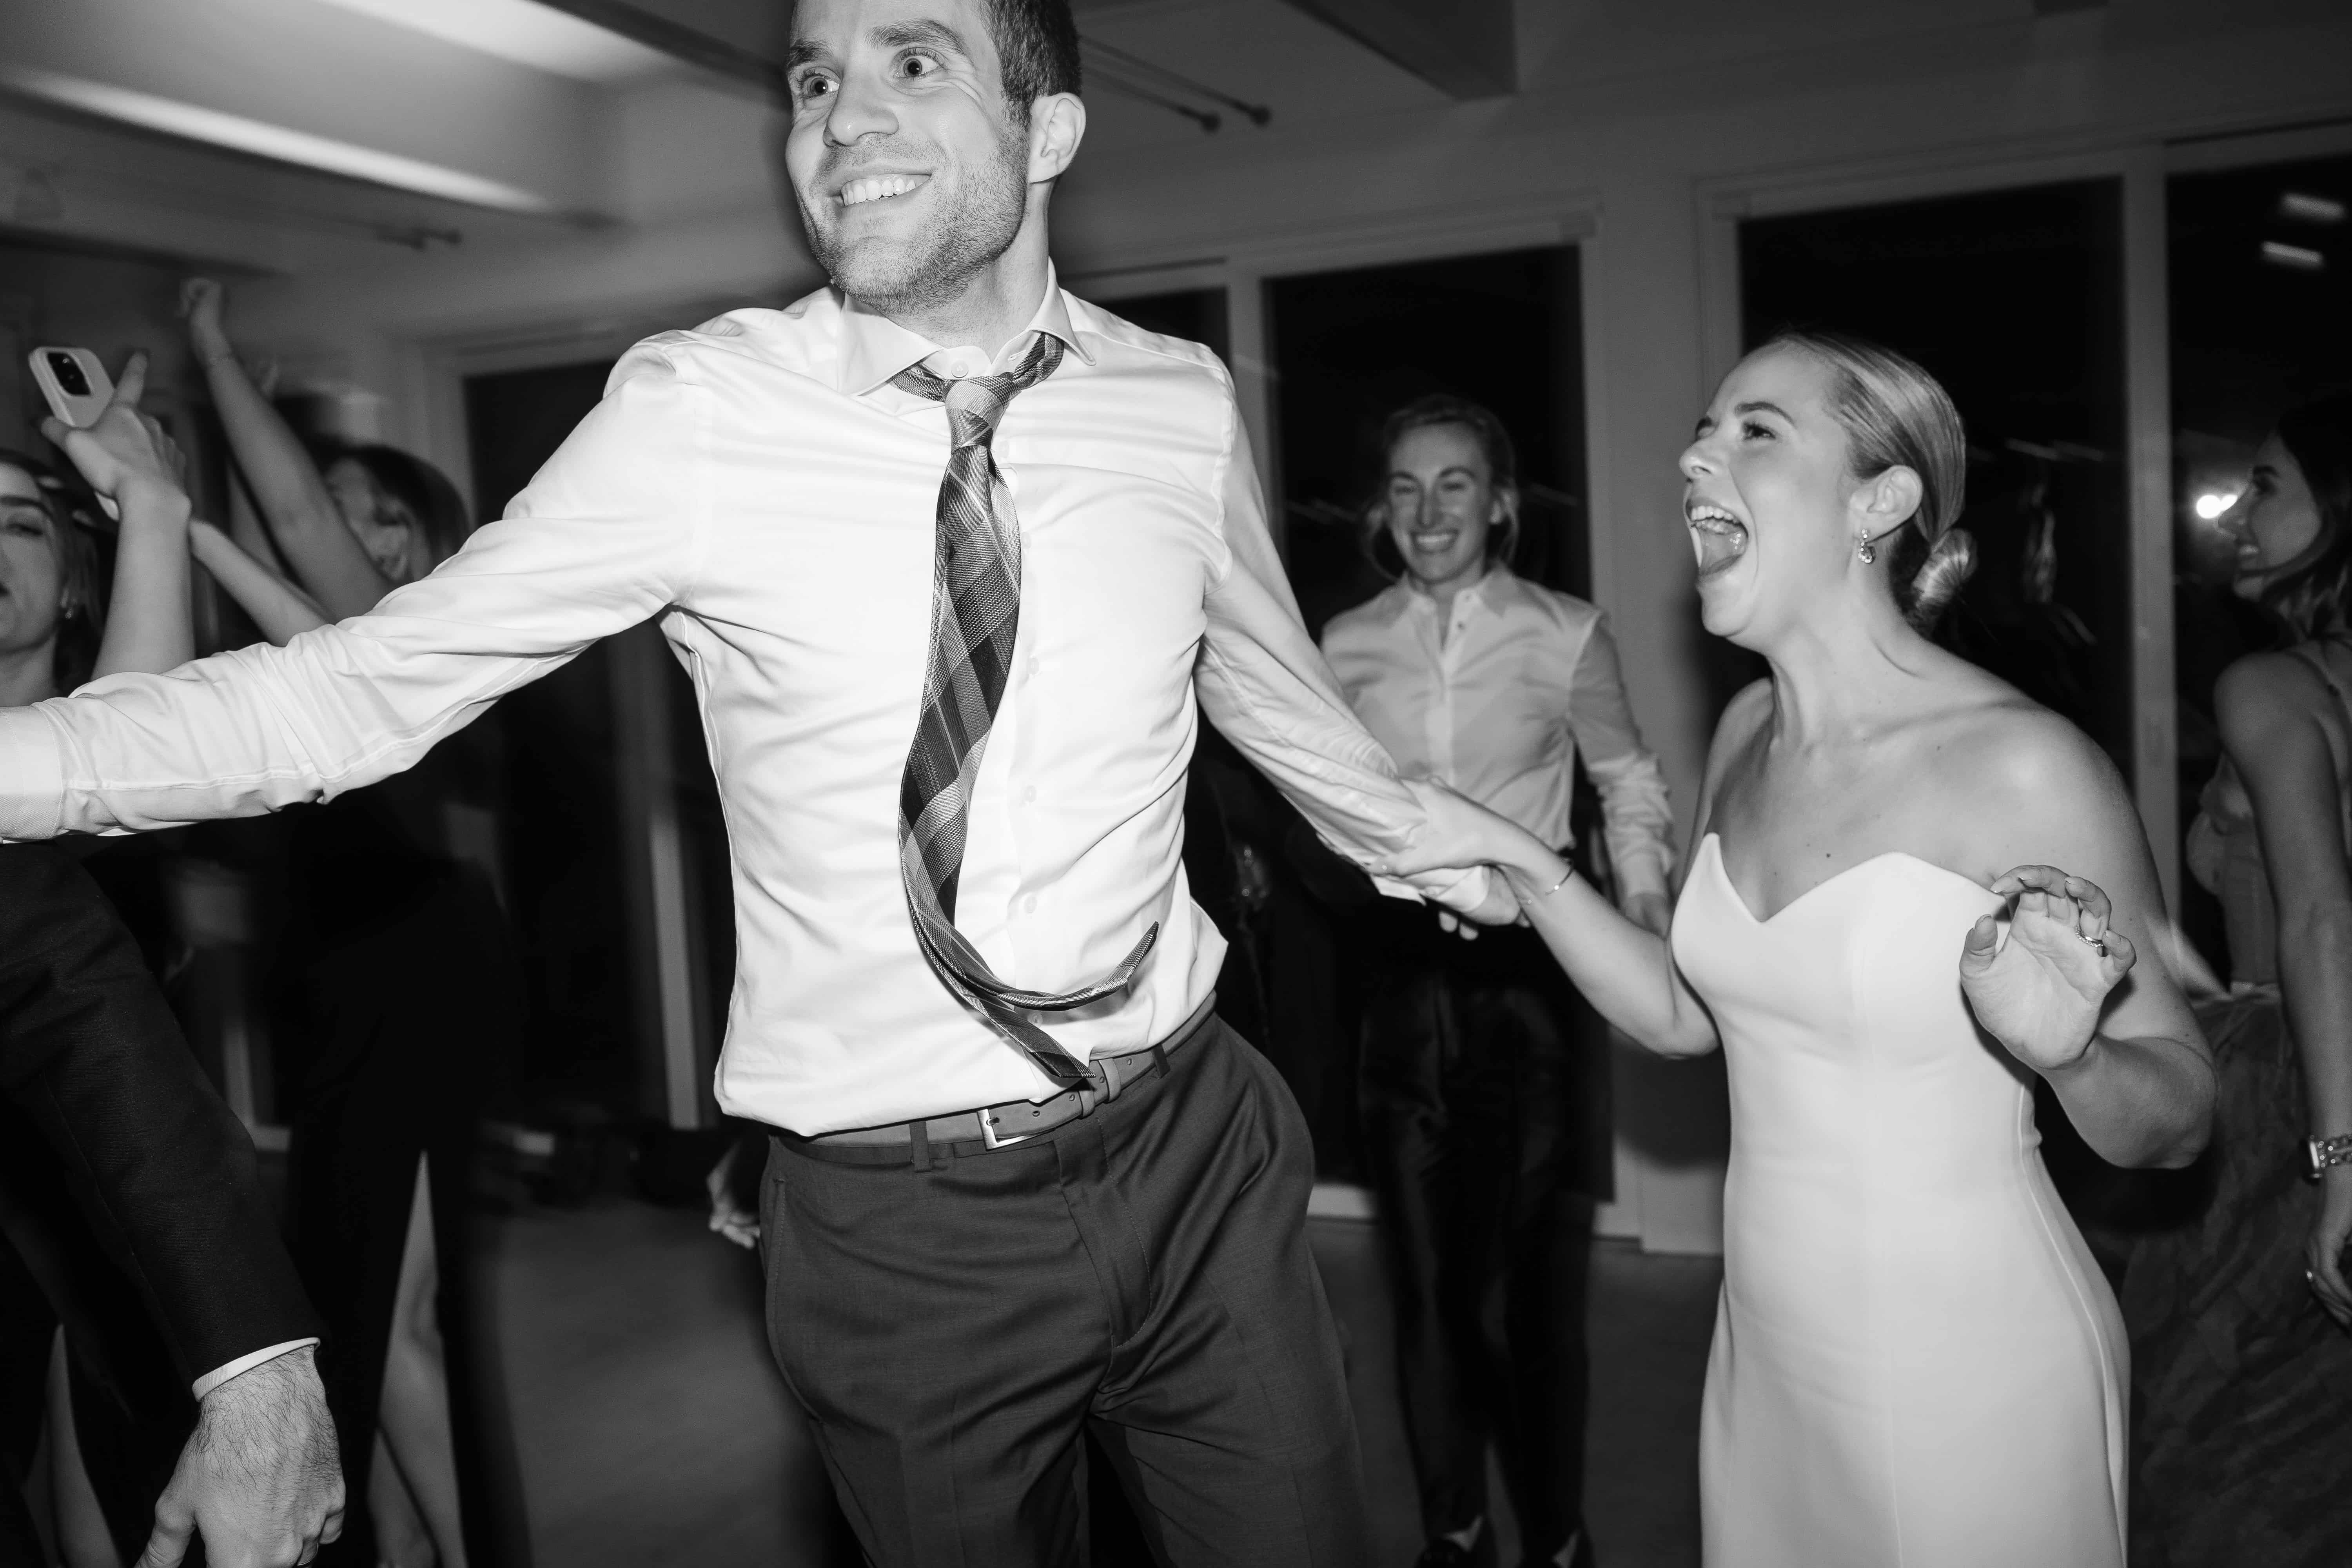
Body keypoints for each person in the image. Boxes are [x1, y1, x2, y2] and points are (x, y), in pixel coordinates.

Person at [0, 2, 1503, 1563]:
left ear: (1049, 129)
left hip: (1196, 1146)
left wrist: (1466, 863)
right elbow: (347, 696)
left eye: (912, 62)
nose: (840, 121)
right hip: (901, 1227)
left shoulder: (1176, 402)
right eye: (812, 79)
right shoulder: (701, 416)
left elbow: (1272, 685)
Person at [1373, 332, 2213, 1568]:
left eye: (1754, 430)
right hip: (1763, 1355)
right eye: (1705, 429)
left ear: (1880, 500)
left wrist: (2074, 1054)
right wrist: (1528, 869)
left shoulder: (2021, 765)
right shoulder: (1748, 731)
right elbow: (1681, 1012)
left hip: (1968, 1368)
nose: (1695, 453)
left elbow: (2185, 1113)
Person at [181, 276, 508, 1568]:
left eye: (388, 519)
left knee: (402, 1311)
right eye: (351, 516)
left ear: (431, 540)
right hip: (342, 989)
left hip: (417, 983)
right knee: (361, 1309)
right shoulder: (340, 656)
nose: (361, 537)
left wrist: (208, 354)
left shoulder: (442, 644)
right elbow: (295, 644)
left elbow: (298, 522)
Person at [1320, 395, 1675, 1568]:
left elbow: (1627, 784)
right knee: (1423, 1288)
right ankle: (1454, 1530)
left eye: (1456, 484)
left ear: (1502, 504)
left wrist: (1646, 919)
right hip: (1397, 991)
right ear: (1384, 509)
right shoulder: (1342, 646)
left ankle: (1557, 1533)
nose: (1430, 510)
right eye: (1409, 488)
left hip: (1527, 990)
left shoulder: (1567, 633)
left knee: (1521, 1292)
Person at [0, 367, 343, 1568]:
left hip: (127, 1182)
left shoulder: (138, 726)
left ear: (76, 575)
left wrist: (159, 506)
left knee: (134, 1461)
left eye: (22, 523)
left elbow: (129, 760)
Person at [2123, 392, 2352, 1567]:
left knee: (2210, 1450)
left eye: (2266, 484)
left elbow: (2321, 913)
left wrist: (2339, 1161)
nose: (2238, 512)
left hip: (2288, 1103)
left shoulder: (2273, 688)